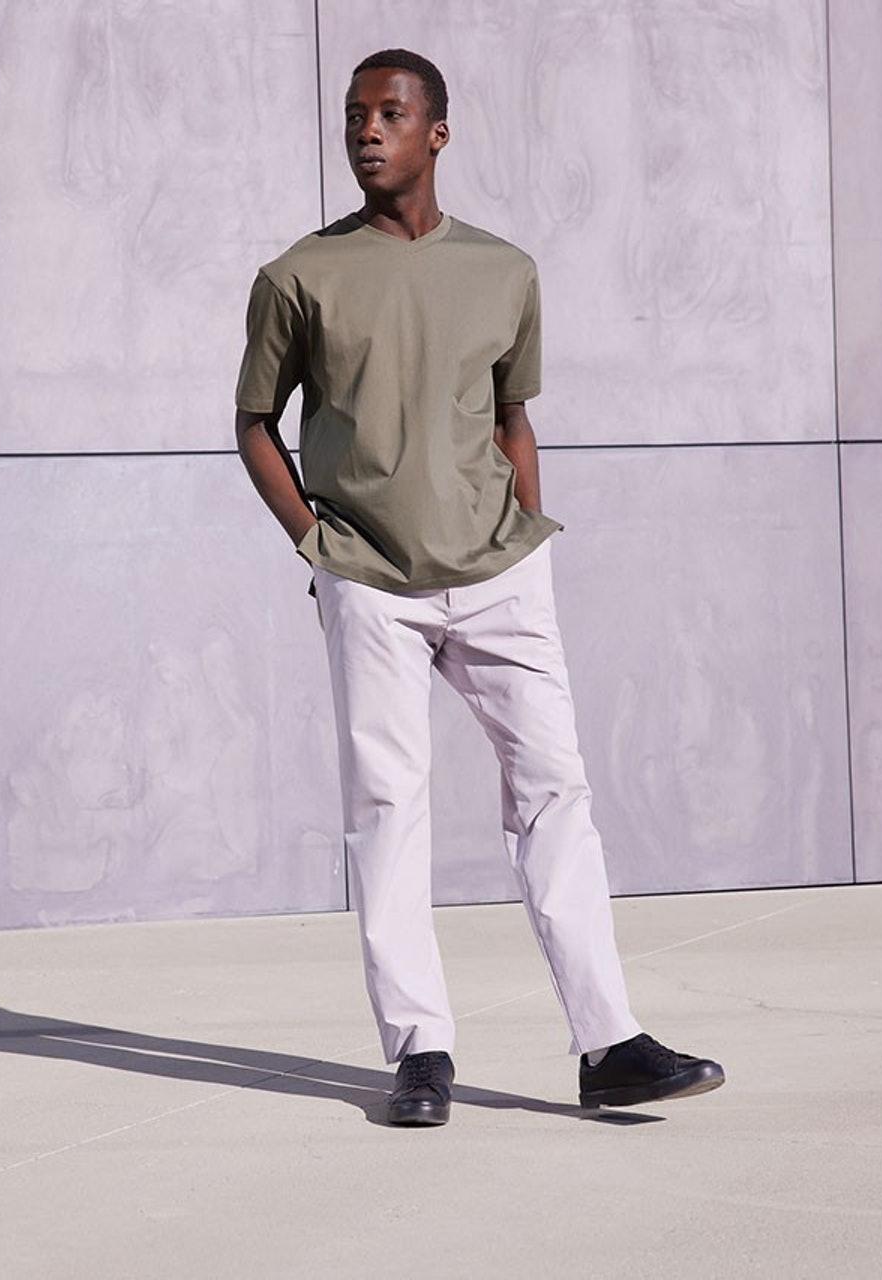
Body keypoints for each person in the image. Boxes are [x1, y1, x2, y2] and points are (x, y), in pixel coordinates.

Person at [232, 48, 725, 1126]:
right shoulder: (300, 277)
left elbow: (512, 418)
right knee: (388, 810)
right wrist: (317, 545)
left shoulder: (505, 270)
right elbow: (253, 424)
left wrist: (528, 541)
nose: (367, 130)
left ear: (437, 133)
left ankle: (611, 1044)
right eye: (354, 115)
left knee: (556, 794)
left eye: (390, 113)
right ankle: (421, 1052)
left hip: (503, 573)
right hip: (371, 578)